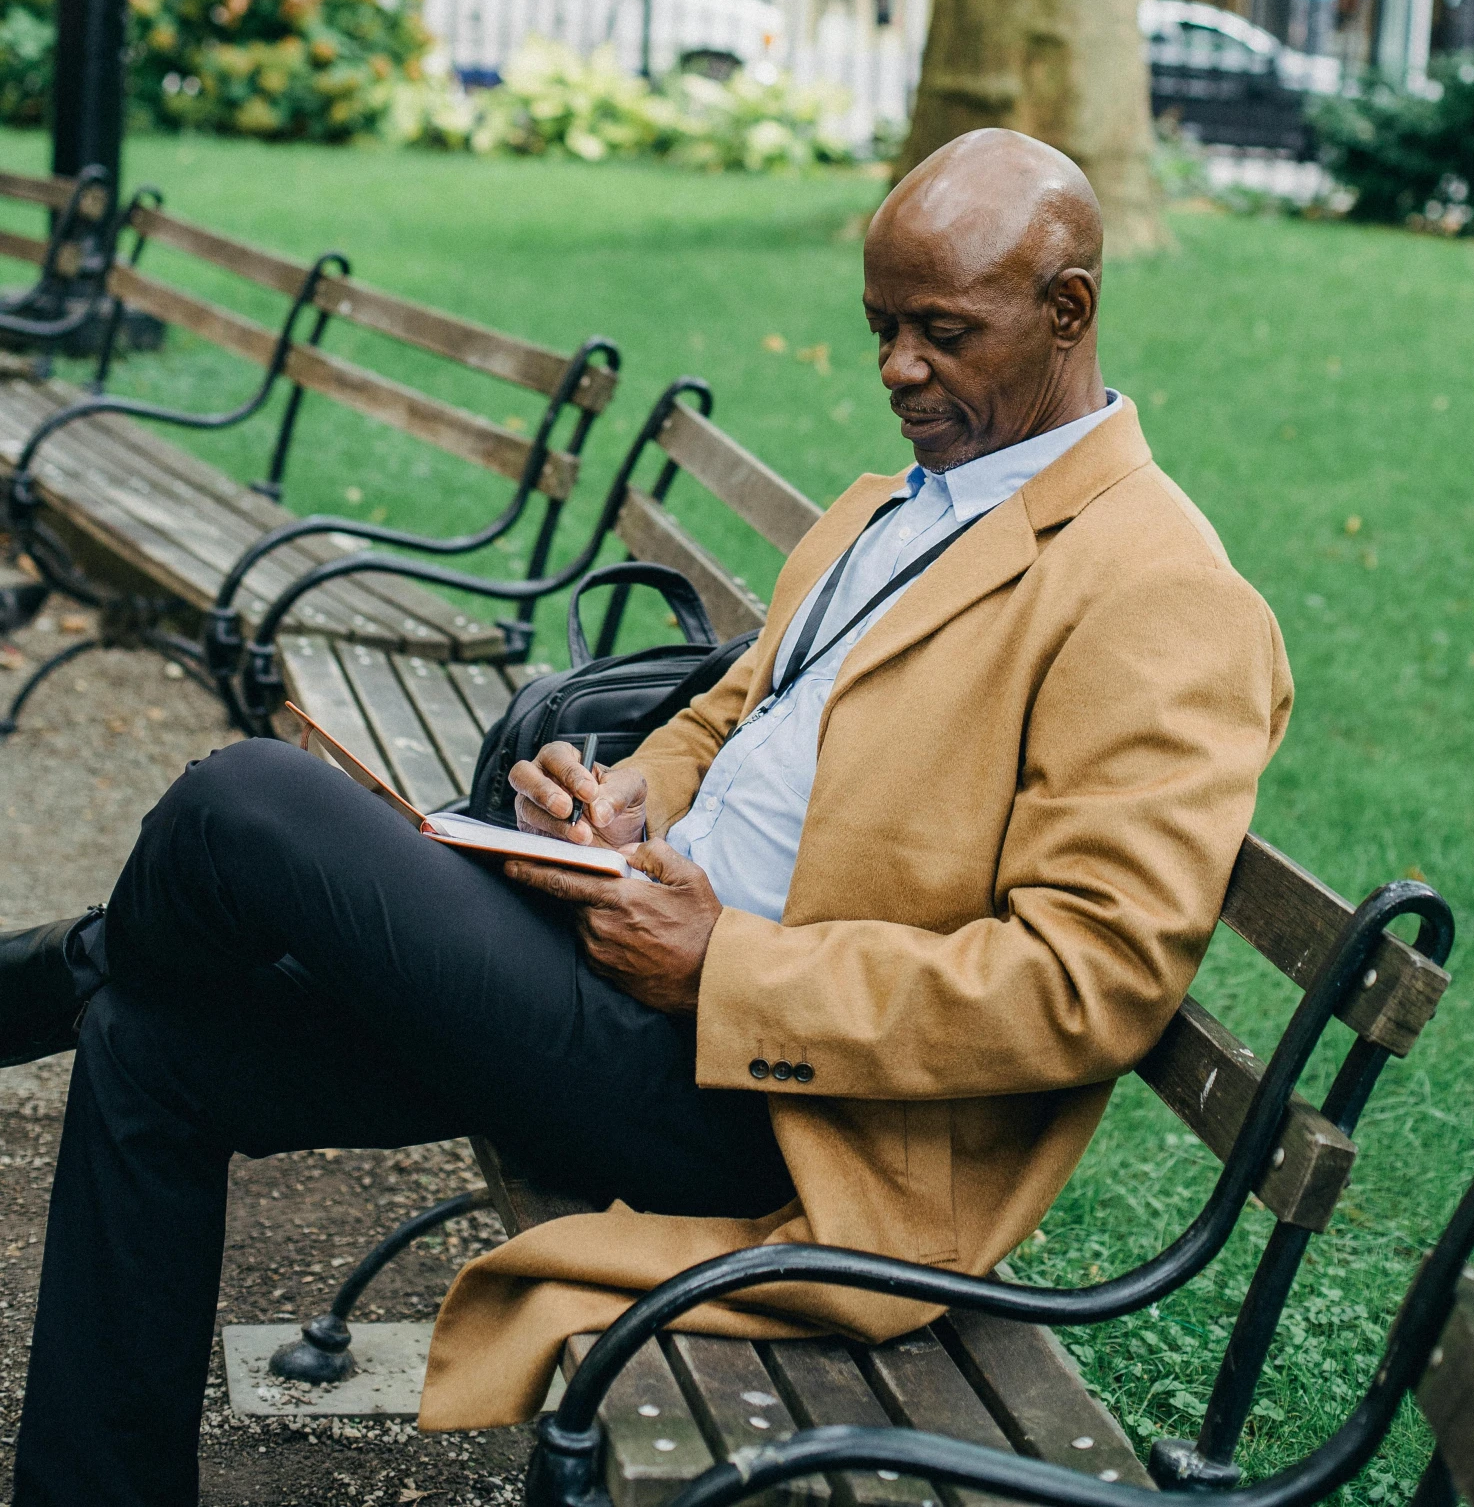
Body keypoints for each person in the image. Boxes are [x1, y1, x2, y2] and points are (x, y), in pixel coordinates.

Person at [0, 129, 1291, 1506]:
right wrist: (623, 796)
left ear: (1068, 311)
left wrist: (720, 964)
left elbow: (1086, 984)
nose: (895, 367)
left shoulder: (1159, 593)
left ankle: (44, 981)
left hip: (759, 1104)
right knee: (151, 1046)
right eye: (878, 327)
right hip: (611, 960)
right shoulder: (907, 504)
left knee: (243, 798)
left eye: (939, 332)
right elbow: (732, 712)